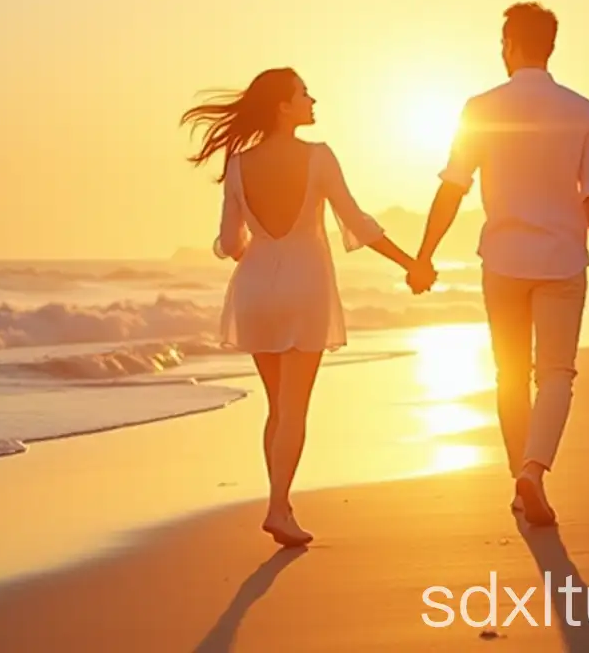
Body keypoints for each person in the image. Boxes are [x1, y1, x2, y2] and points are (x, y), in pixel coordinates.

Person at [181, 68, 428, 546]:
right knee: (294, 410)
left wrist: (243, 234)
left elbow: (232, 243)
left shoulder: (237, 165)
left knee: (278, 409)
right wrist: (411, 264)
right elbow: (355, 223)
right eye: (304, 94)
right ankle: (278, 508)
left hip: (254, 291)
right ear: (283, 106)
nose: (313, 100)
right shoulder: (318, 157)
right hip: (305, 288)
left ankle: (282, 503)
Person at [406, 2, 589, 527]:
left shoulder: (480, 108)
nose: (502, 52)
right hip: (563, 259)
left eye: (504, 43)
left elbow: (453, 186)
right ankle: (533, 473)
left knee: (508, 373)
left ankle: (521, 480)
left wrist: (425, 254)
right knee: (556, 374)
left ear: (516, 46)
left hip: (502, 260)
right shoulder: (582, 110)